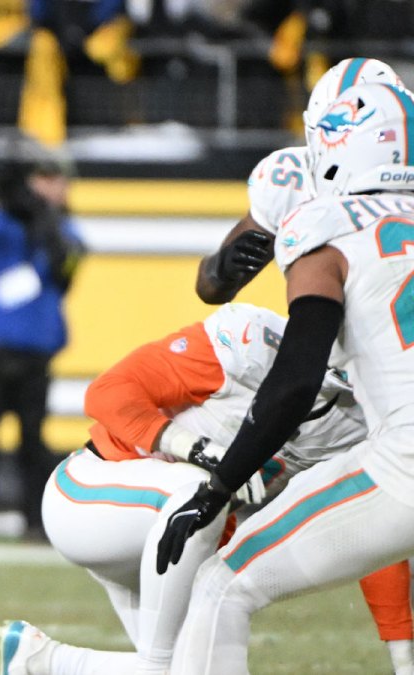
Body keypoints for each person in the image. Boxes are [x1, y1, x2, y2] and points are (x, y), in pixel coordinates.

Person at [0, 303, 414, 675]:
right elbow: (108, 393)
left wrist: (403, 656)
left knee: (197, 667)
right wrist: (204, 453)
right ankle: (147, 663)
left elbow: (369, 527)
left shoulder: (368, 419)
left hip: (177, 542)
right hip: (92, 495)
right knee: (202, 489)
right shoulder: (248, 343)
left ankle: (40, 662)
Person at [155, 82, 414, 675]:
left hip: (404, 462)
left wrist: (219, 485)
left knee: (224, 582)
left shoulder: (325, 227)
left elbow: (295, 380)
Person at [195, 57, 403, 305]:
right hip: (322, 321)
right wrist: (223, 269)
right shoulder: (292, 178)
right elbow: (209, 290)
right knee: (235, 325)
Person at [0, 149, 85, 540]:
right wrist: (2, 199)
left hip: (35, 348)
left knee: (33, 440)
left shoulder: (70, 235)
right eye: (41, 179)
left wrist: (44, 221)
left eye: (56, 180)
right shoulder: (1, 225)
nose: (51, 187)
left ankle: (36, 520)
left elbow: (66, 272)